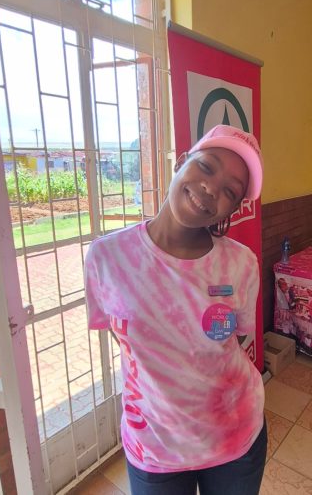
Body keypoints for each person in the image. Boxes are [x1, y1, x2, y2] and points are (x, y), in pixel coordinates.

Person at [84, 124, 267, 495]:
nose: (211, 188)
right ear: (181, 161)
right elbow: (128, 340)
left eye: (230, 191)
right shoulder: (107, 257)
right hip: (154, 447)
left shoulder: (242, 263)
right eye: (206, 166)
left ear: (233, 209)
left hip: (235, 439)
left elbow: (233, 343)